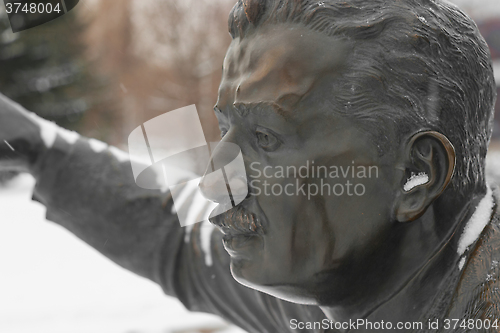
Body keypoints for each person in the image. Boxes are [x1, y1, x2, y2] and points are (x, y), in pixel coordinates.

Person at [1, 0, 499, 332]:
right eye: (226, 131)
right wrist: (36, 147)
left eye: (266, 138)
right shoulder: (348, 276)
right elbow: (175, 236)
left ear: (416, 174)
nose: (217, 183)